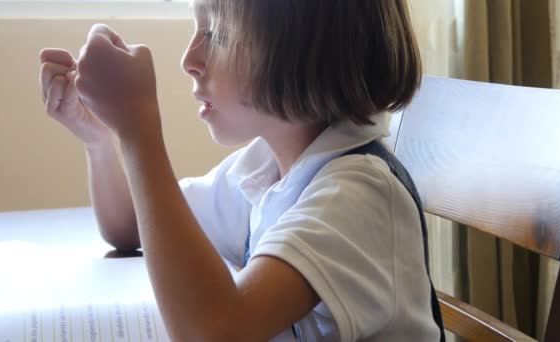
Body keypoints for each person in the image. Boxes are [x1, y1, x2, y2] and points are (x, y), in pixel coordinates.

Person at [38, 0, 444, 340]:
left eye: (215, 35)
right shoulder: (265, 167)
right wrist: (99, 140)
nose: (189, 60)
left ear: (300, 49)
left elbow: (215, 331)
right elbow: (131, 224)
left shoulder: (360, 195)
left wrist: (139, 129)